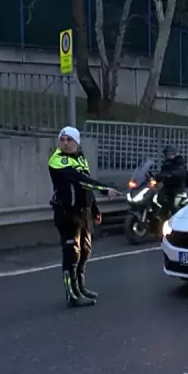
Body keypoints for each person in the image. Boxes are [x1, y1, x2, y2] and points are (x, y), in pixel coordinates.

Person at [48, 126, 119, 308]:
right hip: (67, 213)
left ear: (76, 142)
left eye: (68, 140)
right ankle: (72, 294)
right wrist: (105, 189)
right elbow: (80, 179)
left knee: (85, 251)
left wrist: (94, 209)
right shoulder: (58, 160)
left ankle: (80, 287)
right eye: (62, 139)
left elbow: (86, 187)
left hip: (83, 212)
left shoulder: (80, 158)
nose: (64, 143)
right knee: (71, 253)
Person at [155, 145, 188, 218]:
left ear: (175, 153)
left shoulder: (179, 161)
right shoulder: (166, 163)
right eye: (167, 153)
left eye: (170, 153)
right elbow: (162, 173)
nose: (168, 155)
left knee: (174, 205)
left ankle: (174, 217)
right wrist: (156, 177)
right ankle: (159, 216)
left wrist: (172, 174)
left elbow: (181, 171)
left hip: (177, 187)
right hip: (167, 186)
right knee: (158, 199)